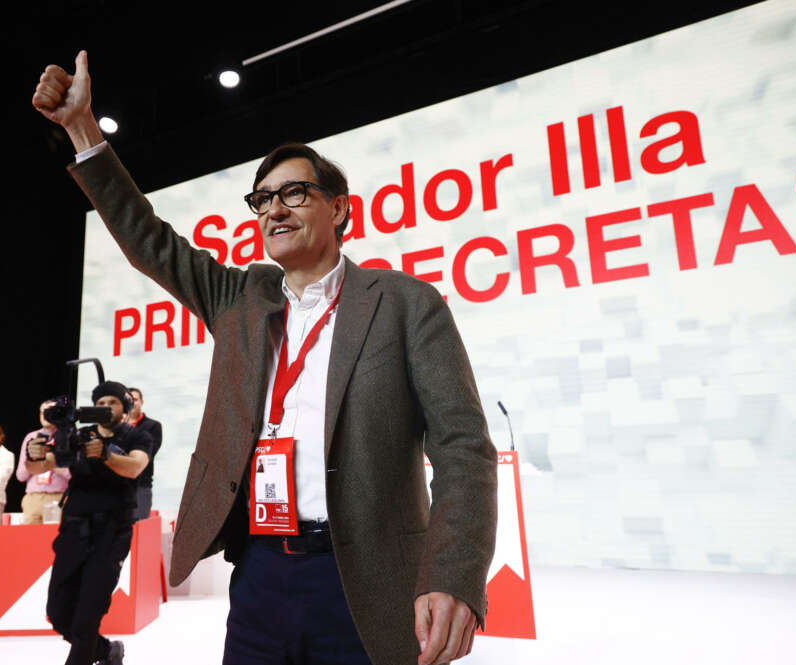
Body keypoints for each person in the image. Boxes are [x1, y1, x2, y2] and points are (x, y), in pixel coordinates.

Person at [33, 51, 497, 665]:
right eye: (263, 200)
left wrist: (454, 573)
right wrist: (82, 129)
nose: (274, 209)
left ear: (339, 209)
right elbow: (148, 239)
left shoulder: (407, 304)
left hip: (369, 580)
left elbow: (464, 448)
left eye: (296, 193)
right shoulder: (239, 297)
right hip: (259, 577)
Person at [25, 381, 151, 665]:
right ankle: (107, 651)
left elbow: (135, 467)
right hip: (73, 531)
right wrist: (33, 453)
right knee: (58, 613)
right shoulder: (78, 436)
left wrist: (105, 454)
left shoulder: (136, 436)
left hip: (111, 533)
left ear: (125, 407)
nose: (106, 406)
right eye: (100, 401)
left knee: (87, 617)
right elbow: (40, 466)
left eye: (113, 402)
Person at [16, 399, 71, 524]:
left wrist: (50, 461)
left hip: (58, 498)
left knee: (54, 539)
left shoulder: (67, 437)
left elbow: (71, 474)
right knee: (29, 541)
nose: (45, 416)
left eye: (50, 412)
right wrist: (35, 460)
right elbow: (20, 476)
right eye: (42, 413)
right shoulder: (31, 437)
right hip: (33, 499)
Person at [125, 387, 161, 520]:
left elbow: (149, 454)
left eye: (135, 399)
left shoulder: (152, 426)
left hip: (141, 486)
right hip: (116, 486)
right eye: (128, 400)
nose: (132, 403)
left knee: (138, 527)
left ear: (142, 402)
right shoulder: (116, 426)